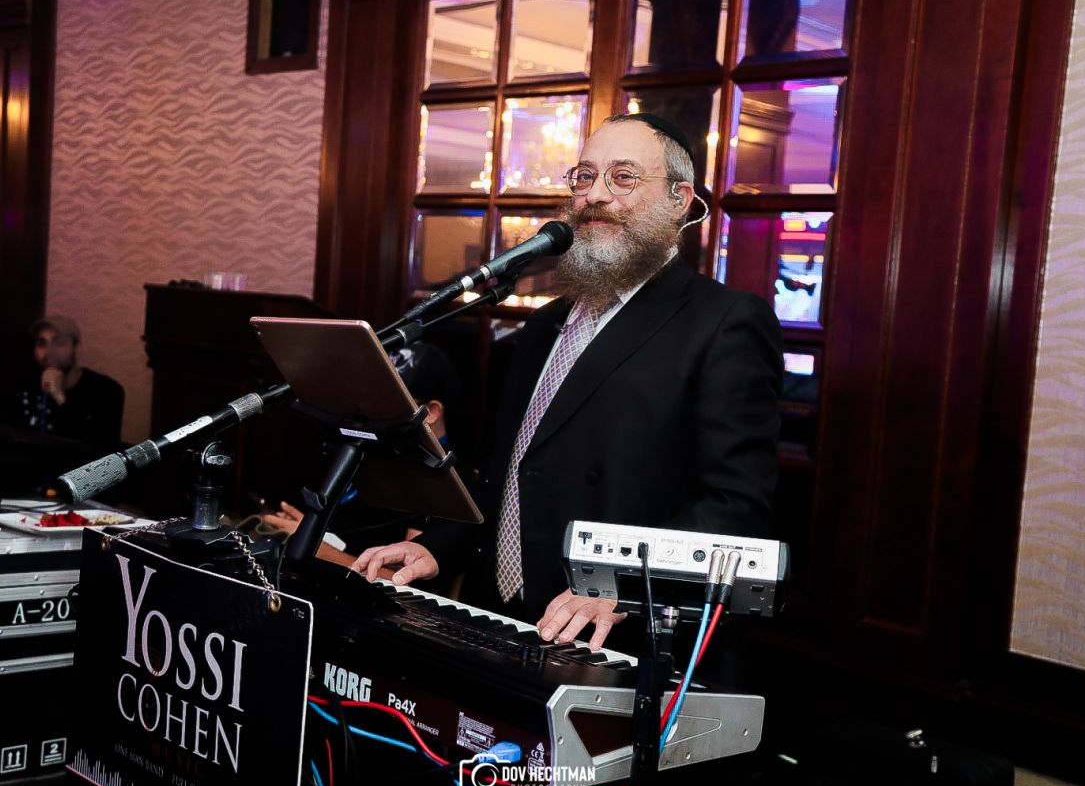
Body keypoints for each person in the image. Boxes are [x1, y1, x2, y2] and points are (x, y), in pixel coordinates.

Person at [351, 113, 783, 651]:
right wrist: (438, 546)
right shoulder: (544, 325)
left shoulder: (723, 322)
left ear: (679, 200)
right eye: (584, 176)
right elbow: (512, 474)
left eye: (623, 177)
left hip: (612, 634)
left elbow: (735, 503)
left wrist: (623, 587)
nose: (595, 195)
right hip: (499, 616)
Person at [260, 341, 461, 554]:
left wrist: (308, 543)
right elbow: (345, 541)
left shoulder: (449, 484)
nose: (369, 409)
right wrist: (309, 529)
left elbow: (403, 572)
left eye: (386, 400)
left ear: (430, 412)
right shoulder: (370, 454)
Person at [12, 315, 124, 449]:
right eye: (42, 343)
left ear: (76, 348)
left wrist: (59, 397)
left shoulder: (107, 391)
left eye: (59, 343)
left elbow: (99, 447)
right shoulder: (24, 387)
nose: (49, 352)